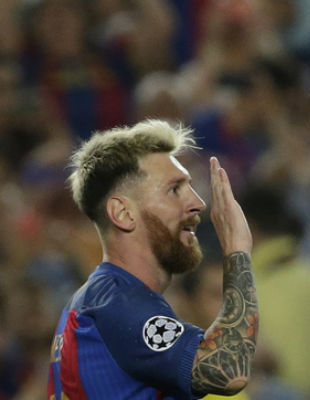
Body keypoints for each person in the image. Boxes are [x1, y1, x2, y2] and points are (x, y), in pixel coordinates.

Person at [47, 120, 259, 399]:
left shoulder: (98, 302)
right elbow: (229, 369)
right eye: (174, 190)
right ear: (123, 213)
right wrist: (237, 250)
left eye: (190, 186)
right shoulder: (118, 305)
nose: (198, 203)